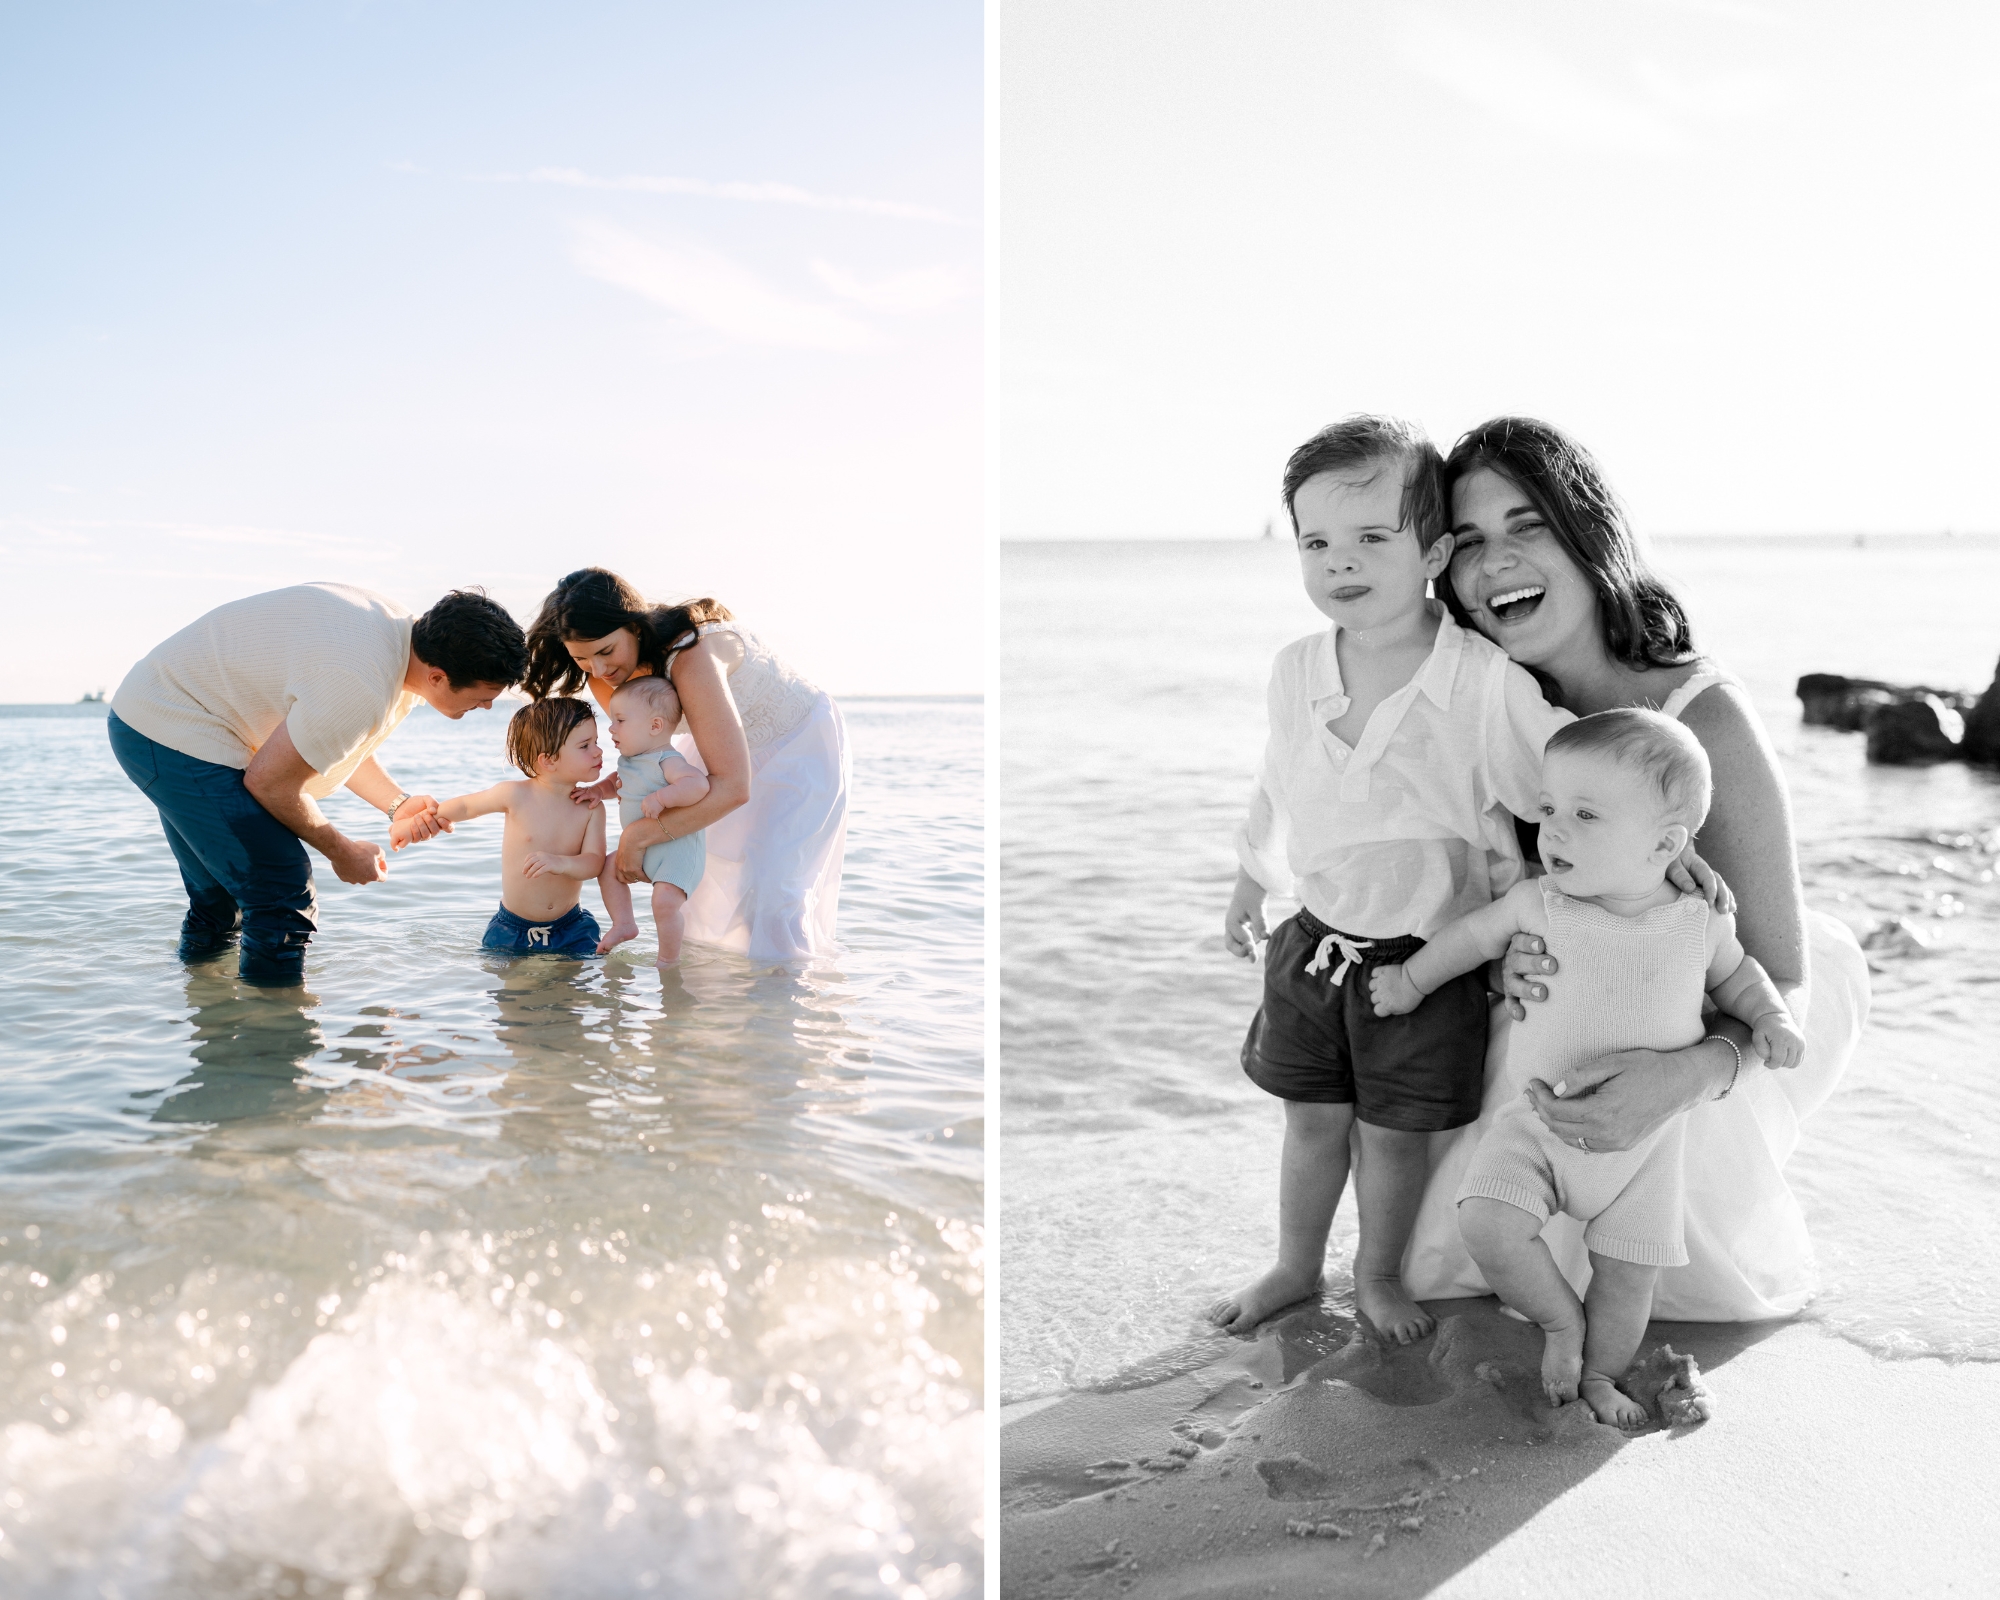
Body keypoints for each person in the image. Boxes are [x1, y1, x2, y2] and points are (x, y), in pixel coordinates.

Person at [1398, 417, 1870, 1322]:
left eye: (1527, 524)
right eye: (1469, 542)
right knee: (1439, 1267)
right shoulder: (1489, 702)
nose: (1497, 562)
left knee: (1677, 1288)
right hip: (1558, 1013)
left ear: (1590, 534)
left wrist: (1680, 1077)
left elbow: (1784, 983)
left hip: (1710, 1020)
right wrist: (1505, 957)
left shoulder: (1704, 715)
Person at [1210, 416, 1572, 1343]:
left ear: (1433, 552)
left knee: (1393, 1135)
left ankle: (1375, 1276)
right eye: (1317, 543)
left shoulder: (1480, 681)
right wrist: (1251, 878)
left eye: (1373, 538)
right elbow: (1275, 779)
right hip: (1313, 939)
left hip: (1429, 956)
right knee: (1311, 1122)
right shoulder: (1296, 668)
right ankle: (1295, 1267)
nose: (1342, 563)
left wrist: (1656, 834)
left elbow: (1566, 774)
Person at [1370, 710, 1804, 1425]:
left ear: (1665, 843)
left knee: (1629, 1277)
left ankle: (1601, 1375)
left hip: (1647, 1149)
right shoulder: (1538, 902)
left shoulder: (1697, 921)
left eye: (1585, 815)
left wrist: (1772, 1019)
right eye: (1548, 810)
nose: (1554, 831)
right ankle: (1558, 1321)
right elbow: (1469, 939)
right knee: (1485, 1220)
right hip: (1534, 1124)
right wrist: (1412, 980)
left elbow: (1743, 979)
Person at [108, 584, 525, 986]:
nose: (487, 706)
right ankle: (275, 1036)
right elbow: (271, 784)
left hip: (157, 709)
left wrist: (397, 804)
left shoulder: (402, 637)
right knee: (282, 890)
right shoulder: (360, 679)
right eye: (485, 694)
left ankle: (201, 1001)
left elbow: (325, 736)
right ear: (437, 677)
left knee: (220, 899)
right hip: (168, 729)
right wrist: (344, 853)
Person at [522, 568, 848, 964]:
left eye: (607, 651)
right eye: (581, 659)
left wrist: (637, 837)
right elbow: (643, 755)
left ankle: (785, 1009)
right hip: (719, 749)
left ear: (636, 628)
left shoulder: (690, 656)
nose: (600, 670)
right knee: (701, 887)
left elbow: (733, 788)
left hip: (796, 742)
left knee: (776, 890)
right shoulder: (603, 673)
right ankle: (703, 1009)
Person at [434, 697, 609, 958]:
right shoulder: (515, 795)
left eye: (596, 742)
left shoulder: (590, 808)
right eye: (585, 745)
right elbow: (466, 806)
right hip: (512, 928)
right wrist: (428, 818)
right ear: (548, 760)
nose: (598, 751)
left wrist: (561, 863)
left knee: (574, 993)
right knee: (513, 995)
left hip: (571, 927)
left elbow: (595, 863)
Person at [597, 674, 710, 966]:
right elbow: (617, 782)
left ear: (655, 726)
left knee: (664, 903)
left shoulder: (667, 760)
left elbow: (697, 785)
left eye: (620, 720)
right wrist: (598, 791)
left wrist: (663, 798)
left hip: (677, 852)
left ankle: (668, 960)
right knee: (607, 867)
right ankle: (624, 923)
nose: (611, 728)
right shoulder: (631, 759)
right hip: (647, 849)